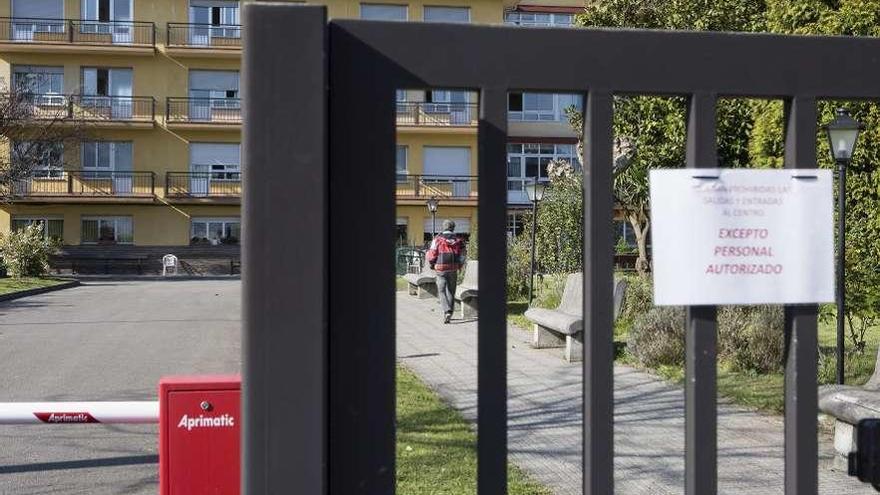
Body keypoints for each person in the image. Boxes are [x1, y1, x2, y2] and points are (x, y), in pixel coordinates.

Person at [426, 219, 466, 324]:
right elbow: (463, 255)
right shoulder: (459, 240)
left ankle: (446, 310)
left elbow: (432, 252)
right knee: (451, 291)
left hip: (440, 268)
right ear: (453, 228)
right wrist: (460, 265)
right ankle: (450, 313)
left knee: (441, 290)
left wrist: (431, 263)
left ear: (443, 227)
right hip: (453, 268)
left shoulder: (437, 239)